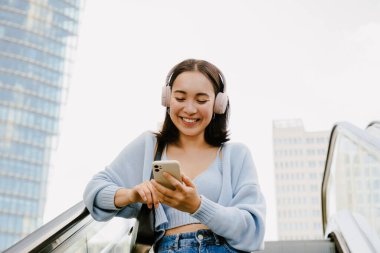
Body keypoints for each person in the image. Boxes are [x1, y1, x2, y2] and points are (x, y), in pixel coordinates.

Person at [83, 59, 266, 252]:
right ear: (167, 99)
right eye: (180, 98)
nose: (189, 109)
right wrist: (132, 194)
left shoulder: (236, 155)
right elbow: (94, 191)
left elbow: (253, 231)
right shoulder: (149, 146)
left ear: (218, 104)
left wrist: (197, 206)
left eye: (201, 100)